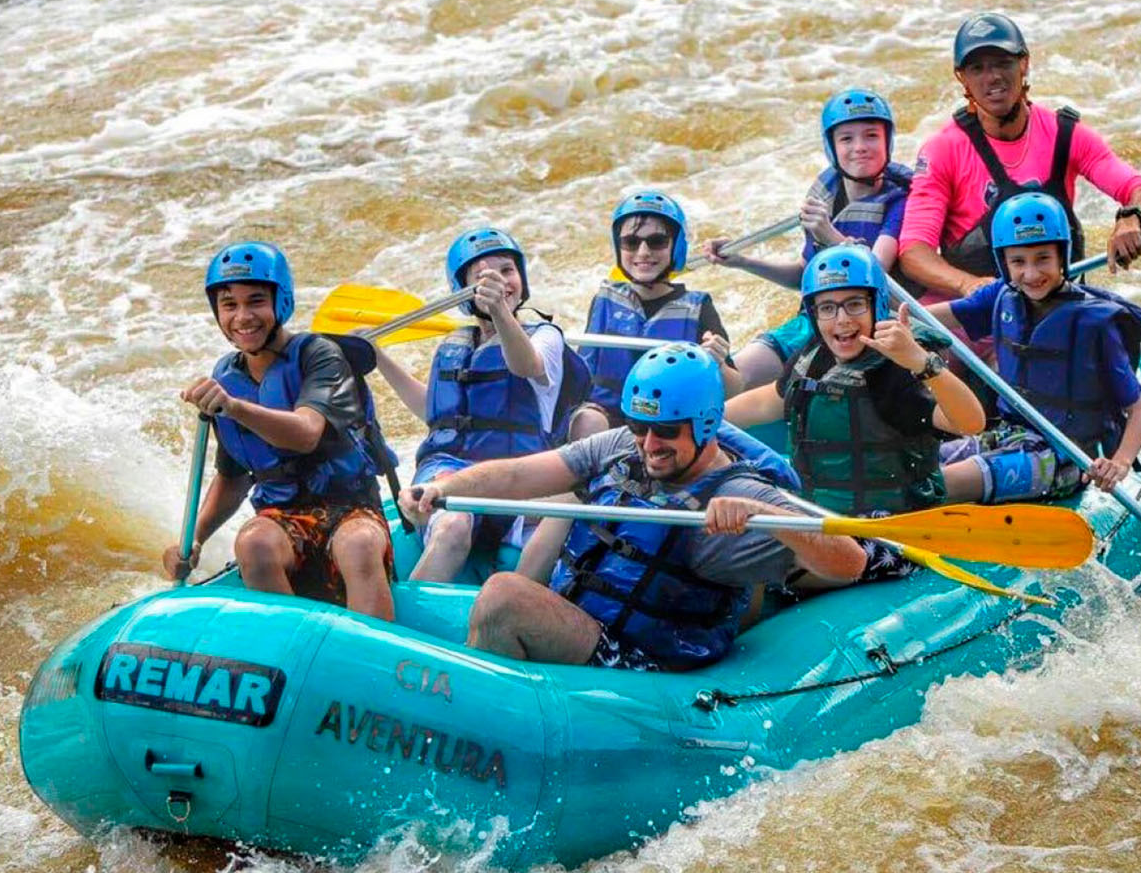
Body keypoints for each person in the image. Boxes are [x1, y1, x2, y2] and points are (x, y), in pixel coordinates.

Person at [399, 344, 868, 672]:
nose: (649, 443)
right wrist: (446, 485)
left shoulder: (746, 493)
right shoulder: (624, 445)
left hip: (650, 660)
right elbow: (522, 474)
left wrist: (764, 516)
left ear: (706, 424)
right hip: (589, 624)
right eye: (639, 425)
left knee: (505, 596)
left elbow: (850, 561)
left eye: (664, 431)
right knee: (544, 531)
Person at [163, 241, 396, 621]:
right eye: (229, 305)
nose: (242, 317)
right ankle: (293, 655)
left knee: (357, 544)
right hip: (284, 519)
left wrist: (235, 408)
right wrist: (194, 540)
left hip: (352, 510)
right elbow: (233, 477)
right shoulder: (229, 378)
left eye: (256, 301)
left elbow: (305, 433)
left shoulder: (321, 357)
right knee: (253, 542)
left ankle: (377, 664)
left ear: (281, 302)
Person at [898, 12, 1141, 303]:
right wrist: (968, 285)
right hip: (982, 317)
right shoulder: (943, 149)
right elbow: (914, 252)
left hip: (1058, 309)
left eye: (1003, 63)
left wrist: (1132, 218)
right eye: (978, 68)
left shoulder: (1066, 134)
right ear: (962, 78)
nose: (993, 78)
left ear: (1024, 63)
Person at [370, 227, 589, 583]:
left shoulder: (545, 337)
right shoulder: (456, 344)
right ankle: (406, 623)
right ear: (464, 292)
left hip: (517, 476)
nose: (500, 280)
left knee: (569, 508)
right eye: (482, 275)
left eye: (507, 270)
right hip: (448, 468)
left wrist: (501, 313)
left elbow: (526, 365)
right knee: (454, 525)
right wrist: (377, 357)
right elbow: (436, 413)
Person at [927, 194, 1141, 504]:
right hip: (1009, 435)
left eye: (1043, 259)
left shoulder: (1095, 324)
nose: (1032, 274)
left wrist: (1120, 463)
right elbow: (927, 315)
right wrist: (880, 313)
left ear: (1062, 256)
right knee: (916, 471)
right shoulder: (1001, 295)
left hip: (1065, 458)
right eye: (1019, 262)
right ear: (1004, 263)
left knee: (938, 485)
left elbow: (1139, 411)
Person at [725, 244, 985, 517]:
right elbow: (768, 402)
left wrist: (921, 362)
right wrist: (709, 420)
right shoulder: (816, 356)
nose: (842, 319)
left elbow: (970, 422)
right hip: (822, 509)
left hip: (886, 523)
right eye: (827, 307)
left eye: (855, 304)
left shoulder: (896, 370)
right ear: (813, 314)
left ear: (878, 304)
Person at [703, 88, 914, 387]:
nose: (860, 147)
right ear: (832, 148)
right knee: (724, 378)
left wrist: (829, 235)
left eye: (871, 136)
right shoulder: (824, 192)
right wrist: (742, 261)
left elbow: (877, 271)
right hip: (813, 320)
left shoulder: (901, 200)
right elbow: (805, 273)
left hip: (866, 322)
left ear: (887, 142)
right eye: (846, 139)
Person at [569, 190, 741, 440]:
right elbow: (578, 377)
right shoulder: (604, 299)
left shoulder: (698, 308)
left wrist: (719, 363)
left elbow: (735, 388)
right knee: (587, 420)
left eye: (657, 241)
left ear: (676, 246)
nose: (643, 252)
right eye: (631, 242)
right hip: (607, 422)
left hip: (668, 425)